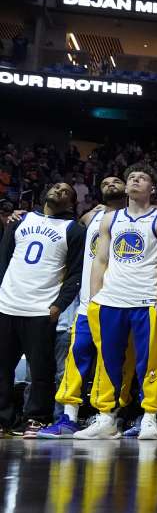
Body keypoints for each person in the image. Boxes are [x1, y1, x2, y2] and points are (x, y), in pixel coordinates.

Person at [74, 164, 157, 440]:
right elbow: (101, 260)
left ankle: (149, 417)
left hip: (145, 300)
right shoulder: (110, 219)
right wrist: (96, 297)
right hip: (111, 301)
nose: (134, 180)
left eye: (142, 178)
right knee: (107, 361)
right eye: (131, 177)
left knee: (150, 362)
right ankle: (106, 418)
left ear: (152, 188)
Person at [38, 177, 126, 438]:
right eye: (106, 182)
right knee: (76, 358)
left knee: (111, 363)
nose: (110, 184)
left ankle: (107, 418)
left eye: (117, 181)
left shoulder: (136, 217)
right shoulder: (90, 218)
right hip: (86, 303)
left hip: (117, 302)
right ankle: (68, 418)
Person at [0, 183, 85, 437]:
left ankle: (35, 418)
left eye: (66, 191)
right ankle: (5, 420)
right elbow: (4, 259)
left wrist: (60, 304)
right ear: (44, 192)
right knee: (2, 368)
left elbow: (75, 273)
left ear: (71, 203)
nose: (60, 191)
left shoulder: (73, 229)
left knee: (41, 371)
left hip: (41, 309)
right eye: (57, 187)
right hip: (8, 304)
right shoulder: (21, 220)